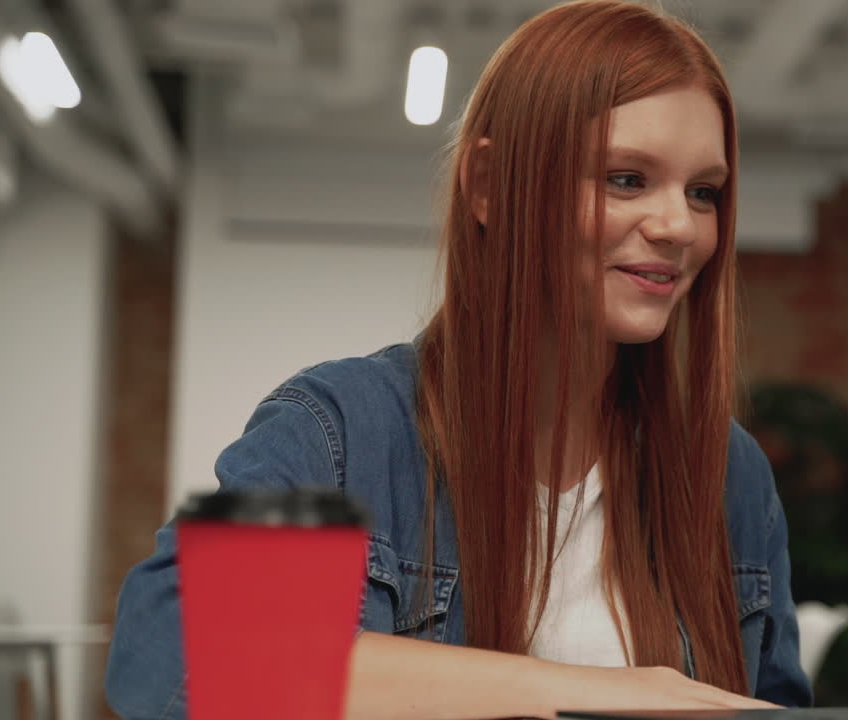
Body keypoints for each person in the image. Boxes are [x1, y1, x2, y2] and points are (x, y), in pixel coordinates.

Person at [105, 1, 812, 718]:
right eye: (626, 178)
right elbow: (183, 657)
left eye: (704, 193)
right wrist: (603, 695)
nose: (678, 227)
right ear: (489, 186)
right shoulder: (345, 433)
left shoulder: (727, 474)